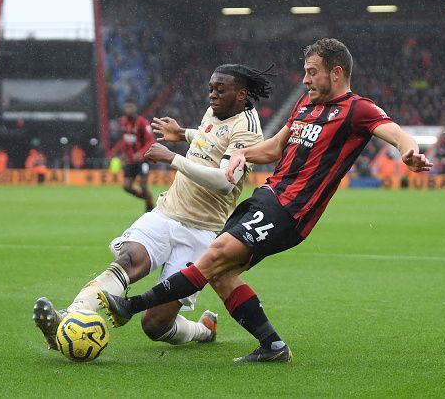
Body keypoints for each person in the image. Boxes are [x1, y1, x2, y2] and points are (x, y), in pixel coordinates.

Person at [99, 38, 434, 363]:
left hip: (292, 209)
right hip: (268, 198)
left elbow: (393, 130)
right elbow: (274, 148)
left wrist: (408, 151)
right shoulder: (305, 104)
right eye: (305, 71)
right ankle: (272, 345)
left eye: (312, 72)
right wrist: (241, 154)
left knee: (213, 255)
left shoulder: (356, 110)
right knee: (220, 273)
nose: (305, 79)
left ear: (336, 73)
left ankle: (130, 306)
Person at [33, 64, 274, 352]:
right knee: (128, 260)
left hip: (203, 231)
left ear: (241, 94)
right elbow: (211, 138)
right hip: (167, 212)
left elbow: (224, 181)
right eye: (210, 88)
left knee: (155, 324)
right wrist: (183, 133)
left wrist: (172, 158)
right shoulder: (218, 110)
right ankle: (69, 318)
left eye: (220, 89)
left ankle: (202, 330)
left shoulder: (248, 130)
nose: (212, 94)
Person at [119, 100, 155, 212]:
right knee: (126, 186)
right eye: (127, 107)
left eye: (131, 107)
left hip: (143, 160)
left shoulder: (142, 123)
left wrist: (141, 153)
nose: (128, 109)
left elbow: (151, 141)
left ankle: (149, 209)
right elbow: (126, 140)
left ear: (135, 108)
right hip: (131, 160)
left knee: (143, 184)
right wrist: (124, 155)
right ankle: (147, 198)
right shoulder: (124, 122)